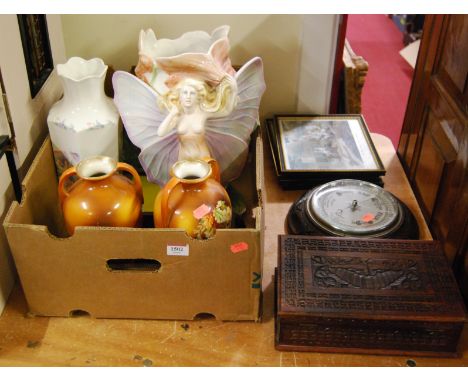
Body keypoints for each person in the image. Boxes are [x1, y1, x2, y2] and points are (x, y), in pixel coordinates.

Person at [156, 76, 238, 162]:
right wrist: (172, 114)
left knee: (208, 175)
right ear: (180, 96)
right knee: (176, 175)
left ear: (198, 96)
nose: (188, 96)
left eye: (192, 93)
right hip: (183, 160)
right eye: (185, 93)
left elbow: (226, 111)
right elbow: (160, 133)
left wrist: (234, 91)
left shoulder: (203, 113)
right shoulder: (177, 116)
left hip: (203, 158)